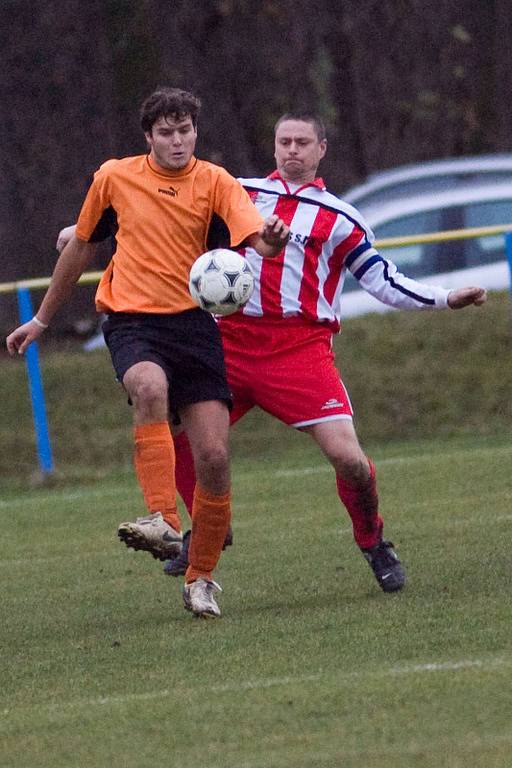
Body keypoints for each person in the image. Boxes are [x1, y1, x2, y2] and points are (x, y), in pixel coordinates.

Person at [55, 112, 487, 596]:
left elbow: (383, 281)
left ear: (322, 149)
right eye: (285, 141)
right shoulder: (238, 191)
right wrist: (79, 231)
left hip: (299, 351)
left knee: (349, 459)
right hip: (229, 342)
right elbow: (152, 209)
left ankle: (373, 540)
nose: (292, 150)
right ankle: (209, 525)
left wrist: (445, 297)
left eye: (303, 142)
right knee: (176, 431)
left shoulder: (341, 218)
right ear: (274, 146)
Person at [6, 87, 290, 619]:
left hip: (195, 327)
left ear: (196, 132)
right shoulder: (114, 177)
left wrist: (273, 236)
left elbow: (259, 243)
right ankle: (161, 517)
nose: (177, 141)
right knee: (149, 387)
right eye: (166, 132)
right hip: (132, 320)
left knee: (215, 458)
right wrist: (43, 319)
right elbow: (81, 246)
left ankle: (201, 577)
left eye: (185, 131)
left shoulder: (216, 182)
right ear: (149, 137)